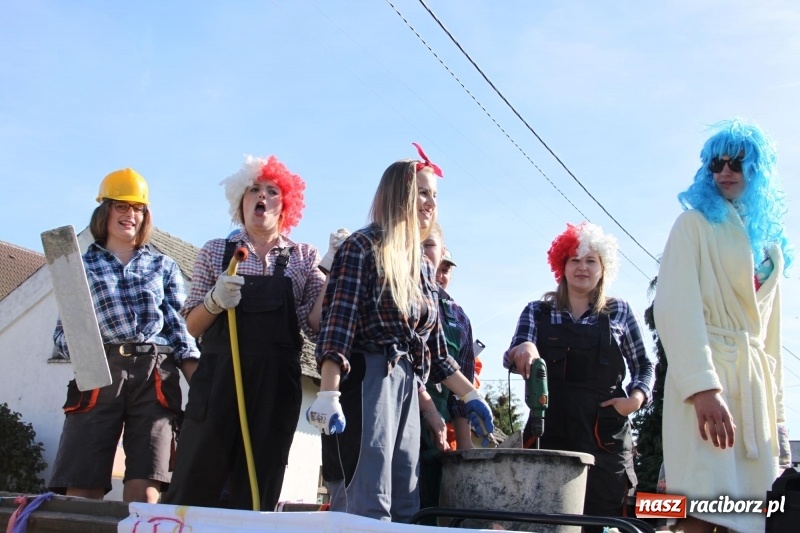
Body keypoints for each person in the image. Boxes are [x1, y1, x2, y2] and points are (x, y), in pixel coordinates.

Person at [306, 144, 495, 523]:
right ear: (399, 194)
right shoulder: (361, 247)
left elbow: (438, 354)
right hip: (367, 380)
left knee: (406, 502)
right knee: (367, 501)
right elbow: (337, 327)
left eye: (435, 195)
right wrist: (327, 393)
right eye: (422, 192)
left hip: (408, 384)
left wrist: (471, 394)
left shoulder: (423, 268)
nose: (430, 202)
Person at [162, 155, 325, 511]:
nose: (261, 196)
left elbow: (315, 324)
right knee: (194, 479)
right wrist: (215, 300)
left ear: (286, 206)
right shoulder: (215, 252)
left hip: (276, 385)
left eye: (272, 191)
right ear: (241, 200)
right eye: (254, 189)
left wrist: (333, 269)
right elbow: (191, 326)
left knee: (257, 489)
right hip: (220, 380)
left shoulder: (303, 257)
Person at [653, 119, 792, 533]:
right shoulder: (692, 225)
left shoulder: (771, 249)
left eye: (737, 162)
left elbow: (771, 338)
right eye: (716, 163)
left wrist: (780, 421)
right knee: (698, 507)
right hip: (708, 381)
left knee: (749, 515)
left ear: (758, 171)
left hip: (754, 394)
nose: (725, 171)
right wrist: (702, 387)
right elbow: (676, 307)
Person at [48, 168, 199, 503]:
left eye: (138, 208)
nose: (130, 215)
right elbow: (61, 336)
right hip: (99, 370)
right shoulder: (78, 266)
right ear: (104, 210)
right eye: (121, 206)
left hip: (154, 372)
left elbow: (178, 328)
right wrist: (84, 350)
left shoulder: (164, 266)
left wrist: (199, 382)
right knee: (82, 483)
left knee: (146, 485)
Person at [504, 222, 656, 530]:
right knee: (545, 521)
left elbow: (644, 365)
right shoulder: (536, 311)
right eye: (574, 259)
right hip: (548, 435)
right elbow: (512, 356)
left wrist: (635, 400)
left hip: (605, 438)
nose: (582, 267)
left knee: (602, 520)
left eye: (590, 260)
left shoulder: (620, 312)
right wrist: (524, 349)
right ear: (561, 265)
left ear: (604, 268)